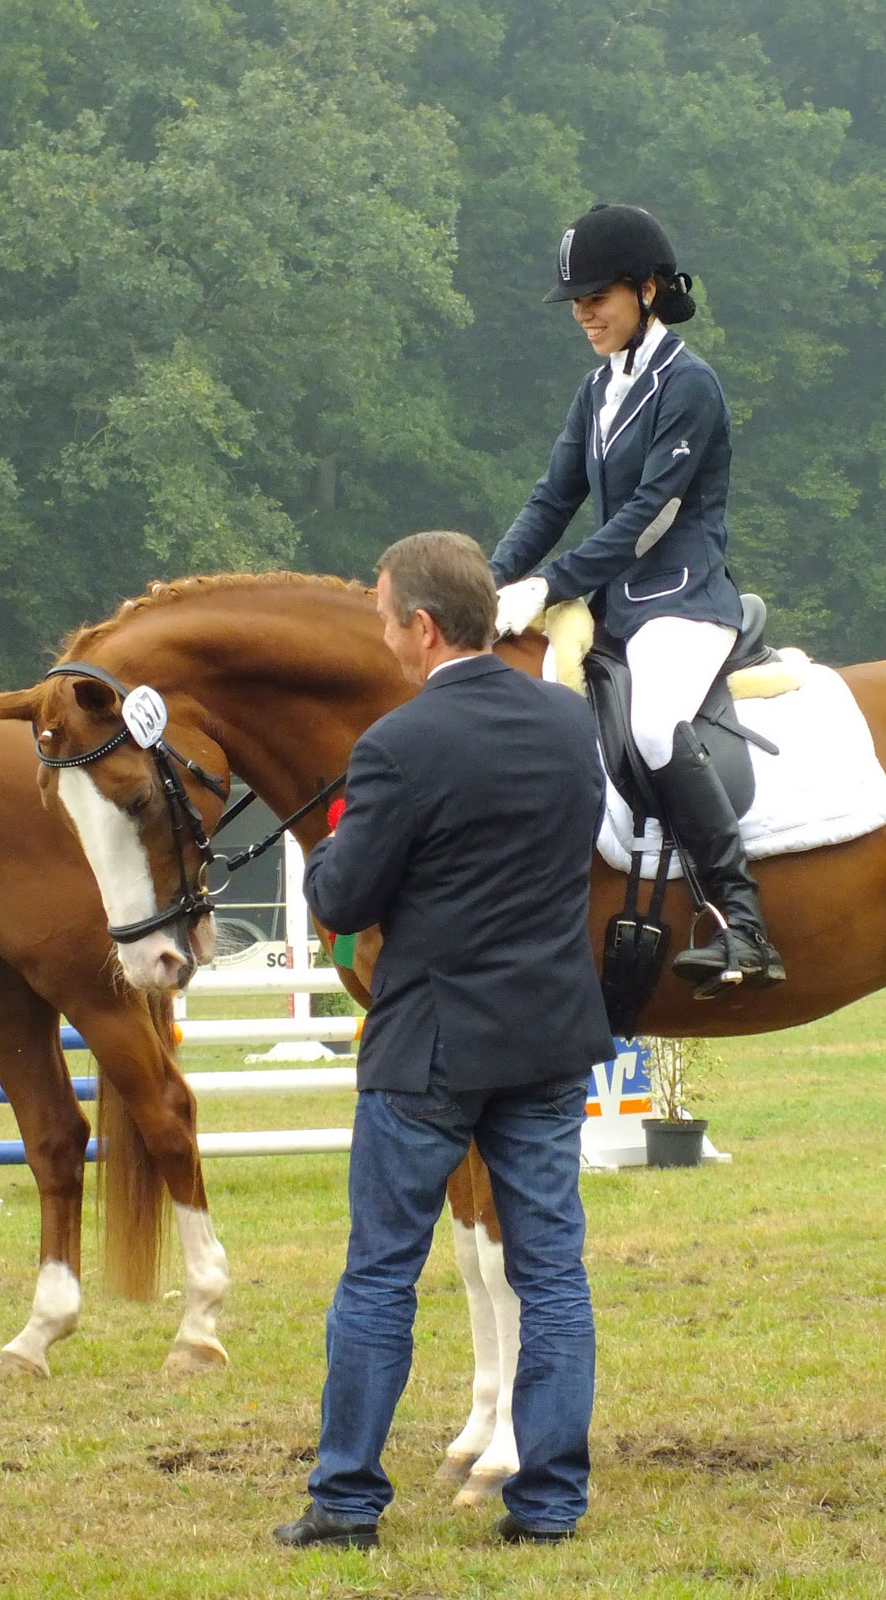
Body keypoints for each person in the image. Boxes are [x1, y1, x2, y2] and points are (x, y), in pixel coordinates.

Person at [272, 529, 614, 1550]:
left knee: (380, 1273)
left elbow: (343, 898)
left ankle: (346, 1501)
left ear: (423, 627)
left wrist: (333, 839)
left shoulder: (397, 744)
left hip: (429, 1040)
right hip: (547, 1032)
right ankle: (548, 1503)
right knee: (553, 1275)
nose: (382, 635)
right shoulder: (568, 721)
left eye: (385, 618)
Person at [491, 202, 785, 996]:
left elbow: (650, 517)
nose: (582, 314)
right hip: (618, 605)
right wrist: (486, 583)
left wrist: (549, 583)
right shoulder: (597, 389)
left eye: (597, 297)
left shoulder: (688, 384)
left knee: (655, 724)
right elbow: (551, 499)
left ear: (646, 290)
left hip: (684, 600)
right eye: (576, 301)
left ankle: (744, 924)